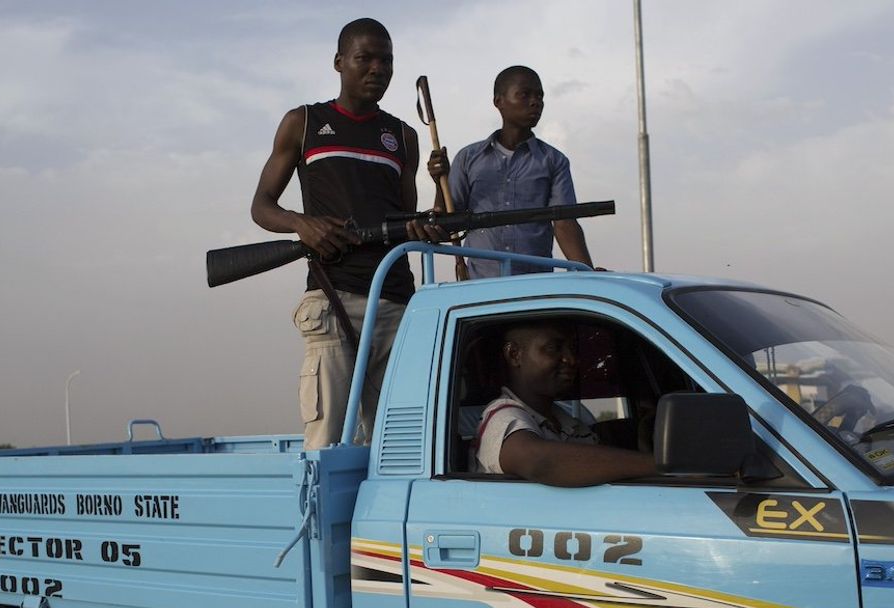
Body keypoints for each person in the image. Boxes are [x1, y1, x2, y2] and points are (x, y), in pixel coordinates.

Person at [250, 18, 442, 450]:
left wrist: (423, 223)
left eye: (386, 60)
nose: (378, 69)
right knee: (327, 443)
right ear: (339, 62)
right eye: (365, 58)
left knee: (395, 445)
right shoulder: (304, 123)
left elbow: (406, 216)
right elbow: (261, 206)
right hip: (334, 298)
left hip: (396, 301)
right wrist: (303, 224)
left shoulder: (403, 136)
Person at [427, 65, 595, 278]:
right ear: (499, 102)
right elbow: (448, 222)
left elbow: (564, 223)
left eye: (540, 96)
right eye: (524, 95)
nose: (535, 102)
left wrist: (589, 274)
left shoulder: (554, 161)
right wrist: (438, 180)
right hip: (479, 285)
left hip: (534, 285)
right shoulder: (468, 158)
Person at [472, 321, 655, 486]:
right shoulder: (501, 416)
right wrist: (661, 465)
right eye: (554, 348)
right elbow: (540, 462)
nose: (571, 359)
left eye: (572, 349)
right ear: (514, 355)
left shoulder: (569, 423)